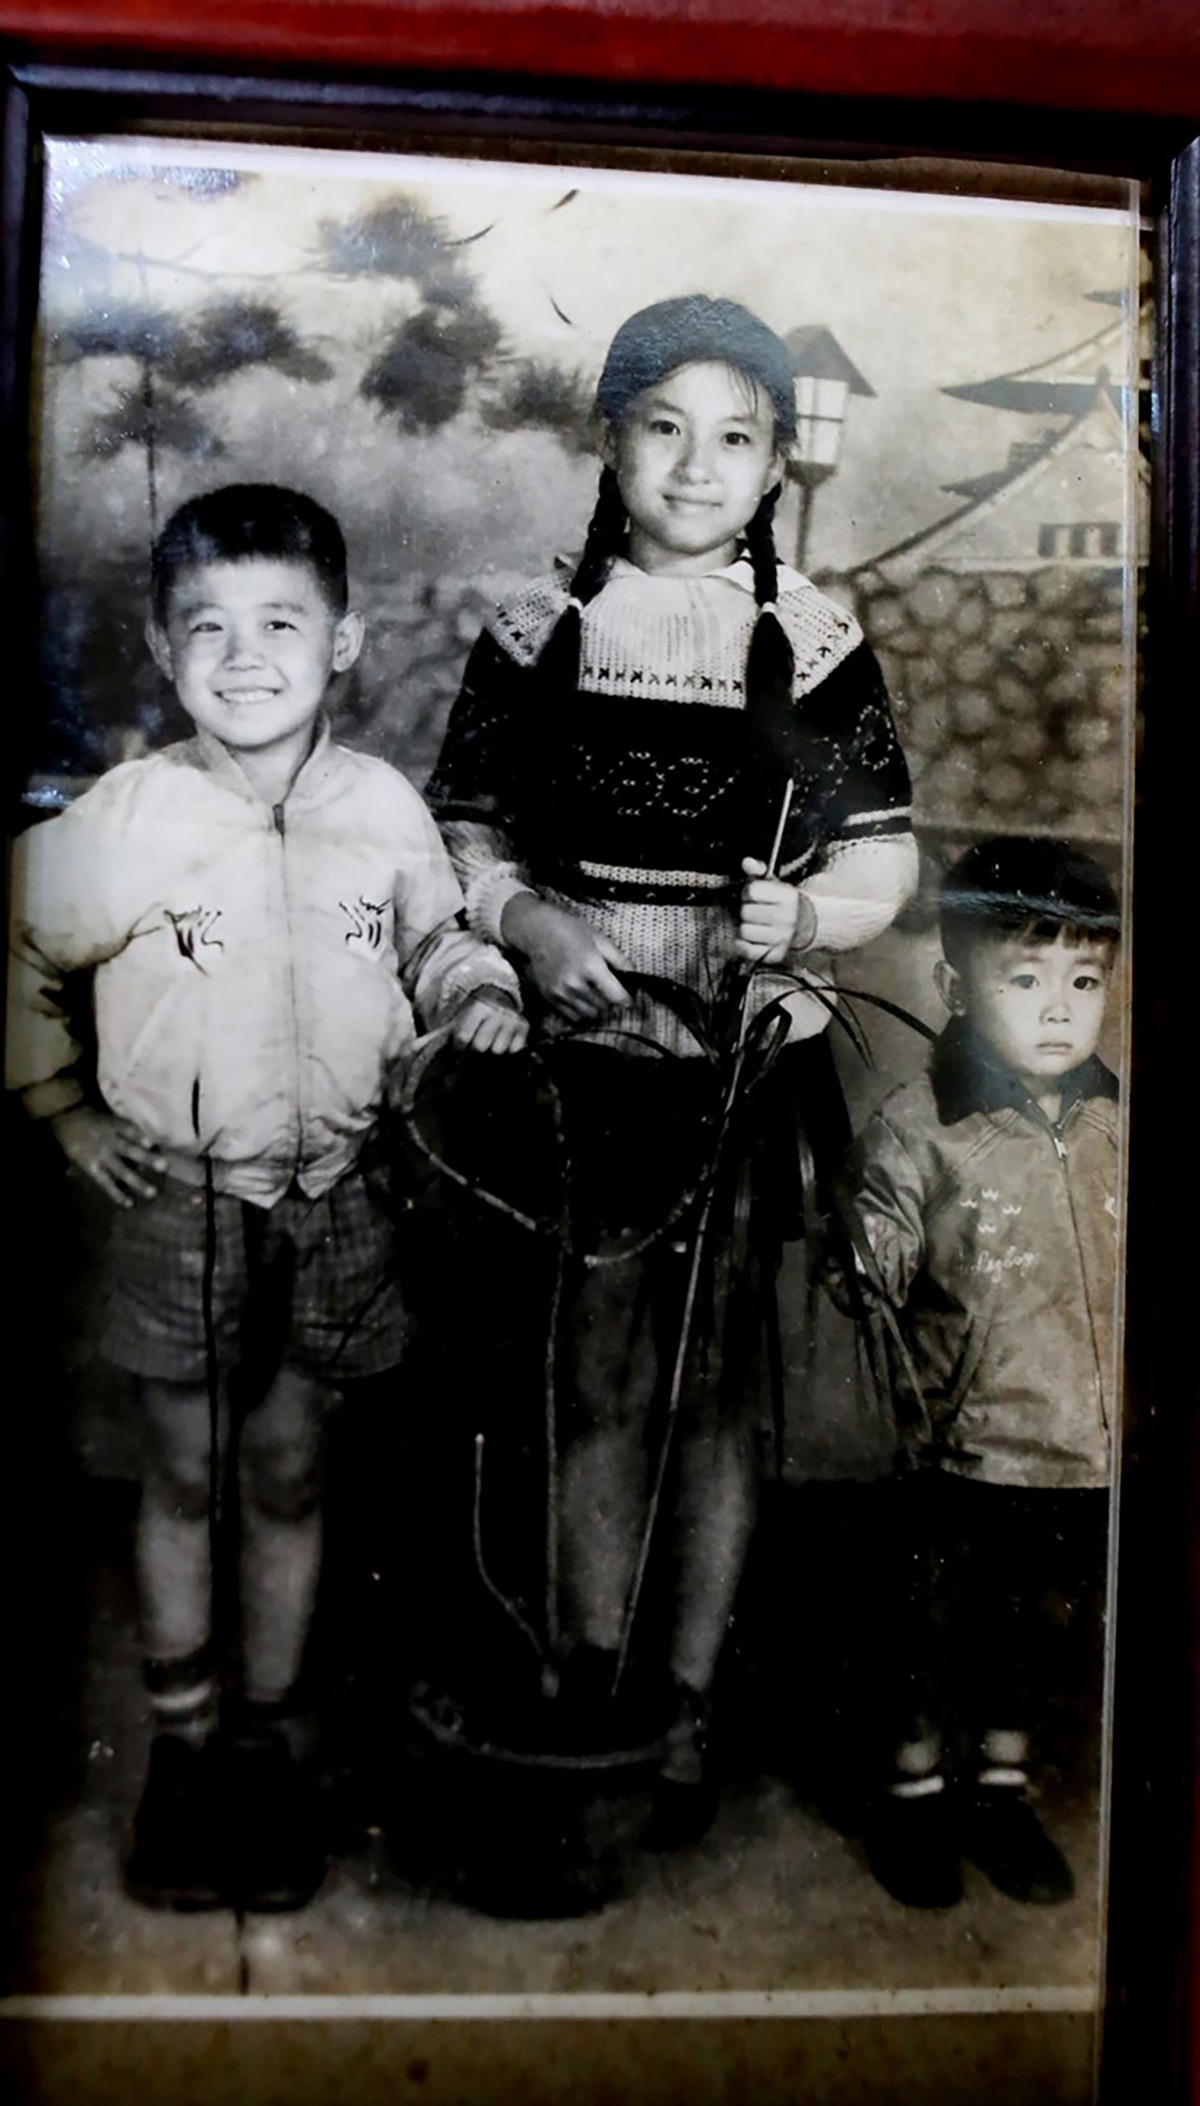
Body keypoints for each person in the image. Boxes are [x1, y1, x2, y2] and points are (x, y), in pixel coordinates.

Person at [425, 294, 917, 1833]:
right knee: (596, 1373)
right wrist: (524, 919)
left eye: (737, 438)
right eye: (664, 428)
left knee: (717, 1387)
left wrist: (808, 914)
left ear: (776, 463)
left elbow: (882, 855)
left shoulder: (814, 642)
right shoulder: (536, 630)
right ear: (609, 438)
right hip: (587, 1063)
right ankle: (590, 1673)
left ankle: (688, 1698)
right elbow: (464, 830)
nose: (700, 468)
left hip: (741, 1068)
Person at [6, 484, 526, 1913]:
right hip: (184, 1198)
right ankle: (181, 1751)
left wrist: (475, 992)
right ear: (162, 651)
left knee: (291, 1469)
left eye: (282, 623)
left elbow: (435, 941)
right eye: (209, 629)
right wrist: (61, 1107)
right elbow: (15, 941)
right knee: (186, 1470)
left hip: (340, 1192)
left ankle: (265, 1742)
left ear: (343, 640)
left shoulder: (382, 807)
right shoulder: (133, 817)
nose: (246, 659)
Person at [837, 836, 1120, 1909]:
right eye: (1026, 979)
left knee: (1031, 1630)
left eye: (1084, 982)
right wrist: (867, 1252)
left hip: (1078, 1442)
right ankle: (911, 1789)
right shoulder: (923, 1129)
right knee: (930, 1625)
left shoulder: (1117, 1126)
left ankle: (1001, 1788)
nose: (1059, 1012)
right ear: (956, 987)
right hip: (960, 1441)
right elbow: (879, 1227)